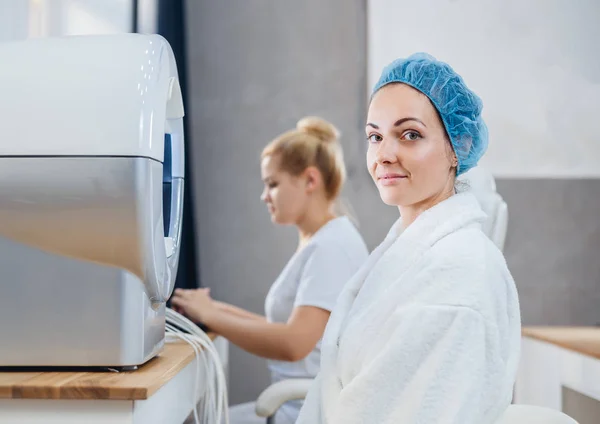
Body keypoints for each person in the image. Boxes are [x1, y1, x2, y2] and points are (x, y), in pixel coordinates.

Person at [296, 53, 521, 424]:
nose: (384, 154)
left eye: (410, 134)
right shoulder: (408, 252)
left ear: (457, 147)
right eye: (375, 136)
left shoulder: (459, 275)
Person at [171, 116, 369, 424]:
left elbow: (293, 343)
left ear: (310, 181)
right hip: (295, 405)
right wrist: (210, 308)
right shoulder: (322, 241)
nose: (265, 196)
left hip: (303, 412)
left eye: (272, 184)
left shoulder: (332, 248)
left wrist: (212, 316)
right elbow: (284, 326)